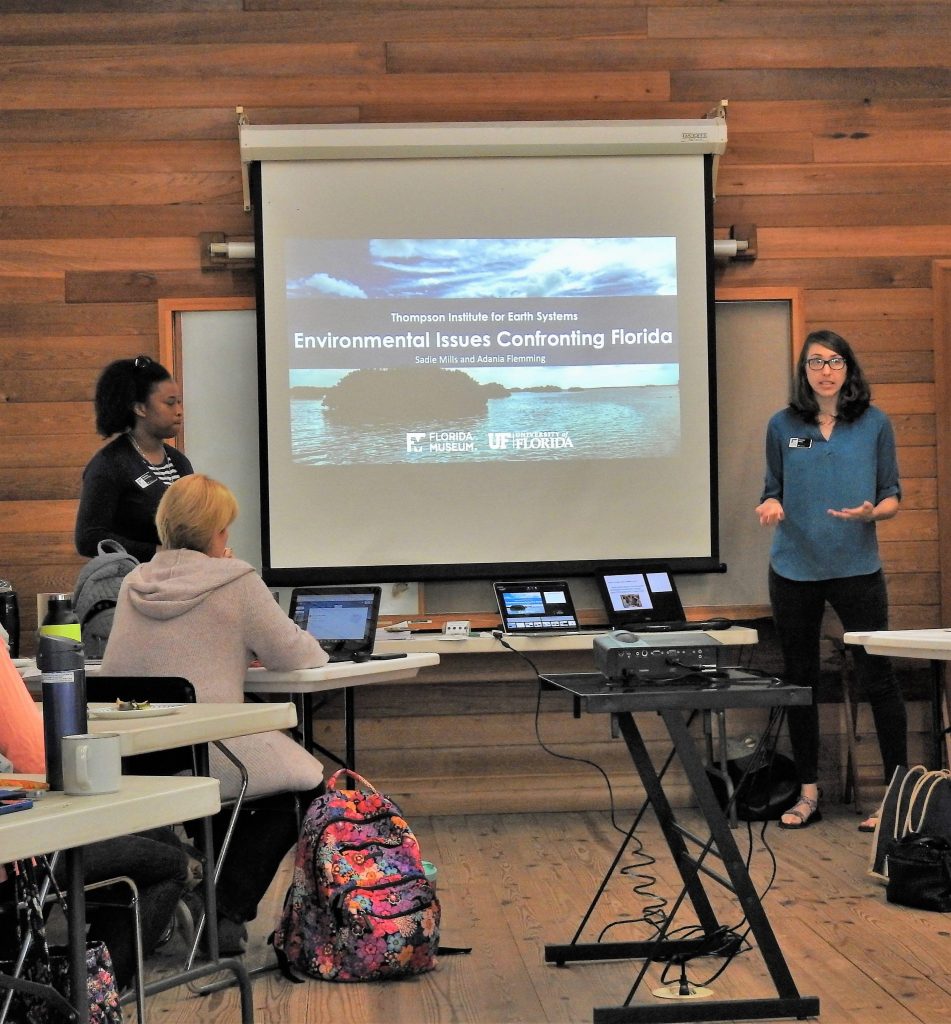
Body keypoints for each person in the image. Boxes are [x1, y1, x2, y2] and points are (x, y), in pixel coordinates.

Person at [99, 474, 329, 953]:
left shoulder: (131, 583)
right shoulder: (236, 579)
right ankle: (220, 908)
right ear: (216, 532)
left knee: (247, 776)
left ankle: (206, 897)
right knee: (306, 784)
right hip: (206, 749)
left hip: (134, 757)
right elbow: (298, 654)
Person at [755, 329, 907, 831]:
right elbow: (772, 488)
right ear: (803, 372)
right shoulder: (783, 425)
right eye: (815, 362)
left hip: (857, 570)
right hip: (794, 569)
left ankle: (895, 796)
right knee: (801, 681)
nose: (825, 370)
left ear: (848, 369)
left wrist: (872, 513)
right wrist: (772, 503)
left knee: (878, 677)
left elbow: (891, 494)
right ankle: (808, 793)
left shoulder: (874, 423)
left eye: (835, 361)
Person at [0, 636, 192, 990]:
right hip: (14, 859)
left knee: (155, 838)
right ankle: (87, 996)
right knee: (168, 865)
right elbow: (34, 758)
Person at [75, 355, 193, 562]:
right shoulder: (109, 464)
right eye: (170, 403)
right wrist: (156, 552)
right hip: (130, 583)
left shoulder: (179, 462)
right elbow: (88, 538)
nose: (179, 412)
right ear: (140, 408)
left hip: (178, 580)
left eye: (180, 402)